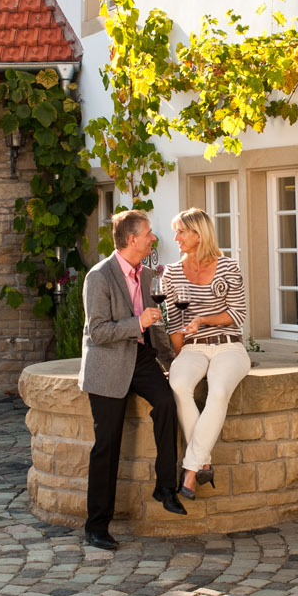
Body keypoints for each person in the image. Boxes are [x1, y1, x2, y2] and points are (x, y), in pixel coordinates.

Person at [78, 209, 187, 551]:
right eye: (149, 233)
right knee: (107, 446)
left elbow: (156, 327)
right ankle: (97, 527)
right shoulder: (99, 276)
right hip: (108, 363)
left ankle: (164, 486)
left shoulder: (149, 275)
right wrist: (138, 323)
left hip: (141, 359)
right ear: (131, 239)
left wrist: (174, 362)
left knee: (168, 403)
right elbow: (98, 332)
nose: (153, 238)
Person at [161, 208, 250, 500]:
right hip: (192, 347)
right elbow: (175, 323)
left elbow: (237, 313)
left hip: (228, 345)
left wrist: (203, 319)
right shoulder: (172, 274)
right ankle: (203, 462)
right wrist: (180, 358)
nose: (176, 238)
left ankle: (191, 469)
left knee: (219, 391)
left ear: (198, 235)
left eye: (181, 232)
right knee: (178, 384)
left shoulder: (228, 267)